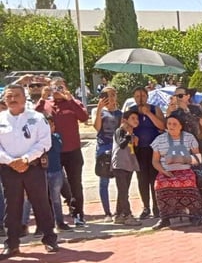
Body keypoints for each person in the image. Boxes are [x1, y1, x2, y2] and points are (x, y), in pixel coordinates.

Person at [0, 85, 60, 258]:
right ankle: (12, 244)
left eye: (16, 96)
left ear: (24, 98)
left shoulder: (37, 117)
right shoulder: (1, 118)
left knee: (41, 203)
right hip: (9, 169)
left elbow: (44, 142)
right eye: (9, 96)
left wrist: (26, 159)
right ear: (5, 99)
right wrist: (11, 161)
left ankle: (49, 239)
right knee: (12, 207)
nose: (13, 99)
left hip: (32, 167)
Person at [35, 78, 89, 227]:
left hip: (73, 151)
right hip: (53, 152)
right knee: (52, 184)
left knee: (75, 183)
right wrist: (42, 98)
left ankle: (78, 214)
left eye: (60, 87)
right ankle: (54, 217)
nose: (57, 90)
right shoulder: (46, 104)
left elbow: (84, 117)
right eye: (54, 87)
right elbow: (33, 119)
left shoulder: (73, 102)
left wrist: (70, 99)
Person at [150, 114, 202, 229]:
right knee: (159, 184)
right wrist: (164, 171)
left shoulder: (189, 137)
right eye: (169, 124)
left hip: (185, 170)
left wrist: (182, 159)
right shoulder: (159, 140)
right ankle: (165, 218)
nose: (171, 126)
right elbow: (155, 161)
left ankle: (195, 214)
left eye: (174, 124)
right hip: (167, 172)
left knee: (188, 182)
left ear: (181, 126)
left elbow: (198, 159)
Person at [131, 86, 165, 219]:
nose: (140, 99)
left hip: (154, 150)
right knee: (142, 179)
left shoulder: (154, 109)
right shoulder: (131, 111)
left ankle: (157, 207)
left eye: (143, 96)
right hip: (139, 150)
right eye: (138, 96)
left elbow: (162, 126)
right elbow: (125, 127)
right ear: (134, 98)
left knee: (155, 178)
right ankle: (146, 207)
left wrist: (149, 114)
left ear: (147, 96)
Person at [93, 86, 122, 219]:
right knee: (103, 181)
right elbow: (97, 127)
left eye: (113, 95)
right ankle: (107, 212)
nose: (110, 98)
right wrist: (99, 109)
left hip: (116, 149)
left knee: (120, 180)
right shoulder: (98, 111)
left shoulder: (120, 114)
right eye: (107, 95)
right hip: (103, 149)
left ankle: (119, 210)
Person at [111, 109, 142, 226]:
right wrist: (129, 136)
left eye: (137, 119)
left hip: (129, 165)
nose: (136, 121)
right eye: (133, 118)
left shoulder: (132, 135)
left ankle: (118, 214)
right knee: (123, 191)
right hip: (119, 165)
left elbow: (132, 151)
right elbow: (121, 144)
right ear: (125, 120)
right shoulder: (120, 131)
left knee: (123, 191)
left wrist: (136, 143)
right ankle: (128, 215)